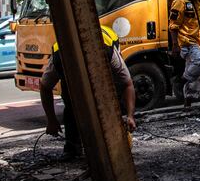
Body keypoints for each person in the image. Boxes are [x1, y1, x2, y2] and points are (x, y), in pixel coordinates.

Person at [40, 25, 136, 158]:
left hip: (104, 73)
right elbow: (45, 87)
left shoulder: (107, 51)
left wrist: (130, 116)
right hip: (72, 80)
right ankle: (73, 147)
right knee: (71, 105)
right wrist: (51, 120)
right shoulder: (59, 56)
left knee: (109, 103)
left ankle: (113, 143)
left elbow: (127, 84)